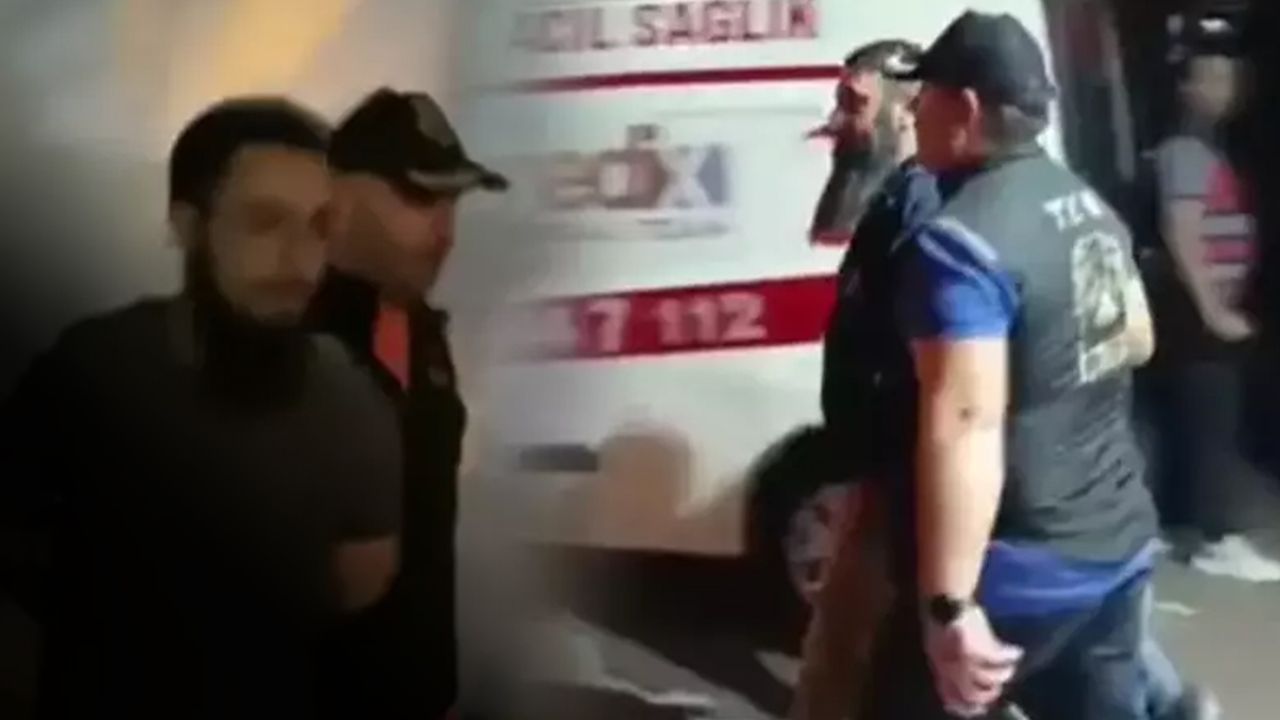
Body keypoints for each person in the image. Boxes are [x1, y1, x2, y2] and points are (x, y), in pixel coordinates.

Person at [0, 98, 403, 717]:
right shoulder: (92, 369)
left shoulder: (348, 397)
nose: (301, 262)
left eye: (319, 227)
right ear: (188, 226)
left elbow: (363, 585)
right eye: (265, 222)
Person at [854, 12, 1161, 719]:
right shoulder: (1088, 205)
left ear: (964, 109)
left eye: (924, 97)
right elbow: (1136, 341)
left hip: (1020, 567)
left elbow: (965, 424)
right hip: (1115, 545)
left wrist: (949, 606)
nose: (913, 113)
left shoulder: (959, 244)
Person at [310, 88, 508, 720]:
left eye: (453, 204)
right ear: (340, 199)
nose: (445, 233)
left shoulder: (423, 337)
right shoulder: (286, 342)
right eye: (421, 199)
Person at [790, 38, 939, 720]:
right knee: (840, 656)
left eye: (854, 103)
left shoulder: (926, 213)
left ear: (905, 109)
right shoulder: (890, 202)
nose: (837, 120)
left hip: (902, 484)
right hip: (872, 478)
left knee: (864, 663)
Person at [1152, 47, 1280, 582]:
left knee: (1195, 421)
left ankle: (1182, 525)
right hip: (1196, 316)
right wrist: (1213, 311)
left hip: (1210, 310)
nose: (1225, 91)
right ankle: (1216, 540)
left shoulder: (1209, 150)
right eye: (1211, 79)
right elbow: (1181, 231)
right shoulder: (1184, 151)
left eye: (1231, 80)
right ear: (1185, 89)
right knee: (1213, 423)